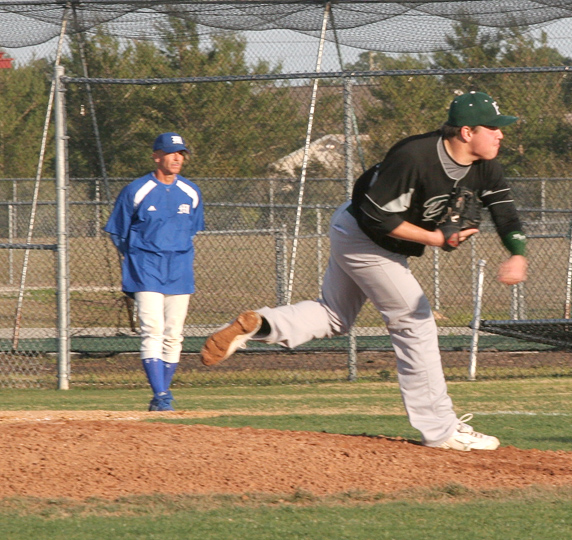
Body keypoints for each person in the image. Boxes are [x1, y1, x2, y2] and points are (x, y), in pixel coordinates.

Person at [201, 92, 527, 450]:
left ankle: (259, 324)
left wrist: (517, 253)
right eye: (493, 128)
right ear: (466, 132)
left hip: (373, 237)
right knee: (415, 320)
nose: (500, 135)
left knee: (334, 316)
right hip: (362, 233)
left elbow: (504, 210)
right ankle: (441, 430)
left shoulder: (486, 165)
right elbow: (377, 217)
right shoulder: (414, 156)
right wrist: (434, 238)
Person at [104, 132, 204, 412]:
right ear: (156, 156)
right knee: (153, 330)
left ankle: (161, 393)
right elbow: (118, 232)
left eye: (181, 153)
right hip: (145, 267)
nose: (177, 158)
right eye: (171, 152)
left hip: (179, 269)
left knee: (174, 334)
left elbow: (192, 230)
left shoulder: (191, 191)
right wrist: (137, 256)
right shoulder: (136, 189)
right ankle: (161, 395)